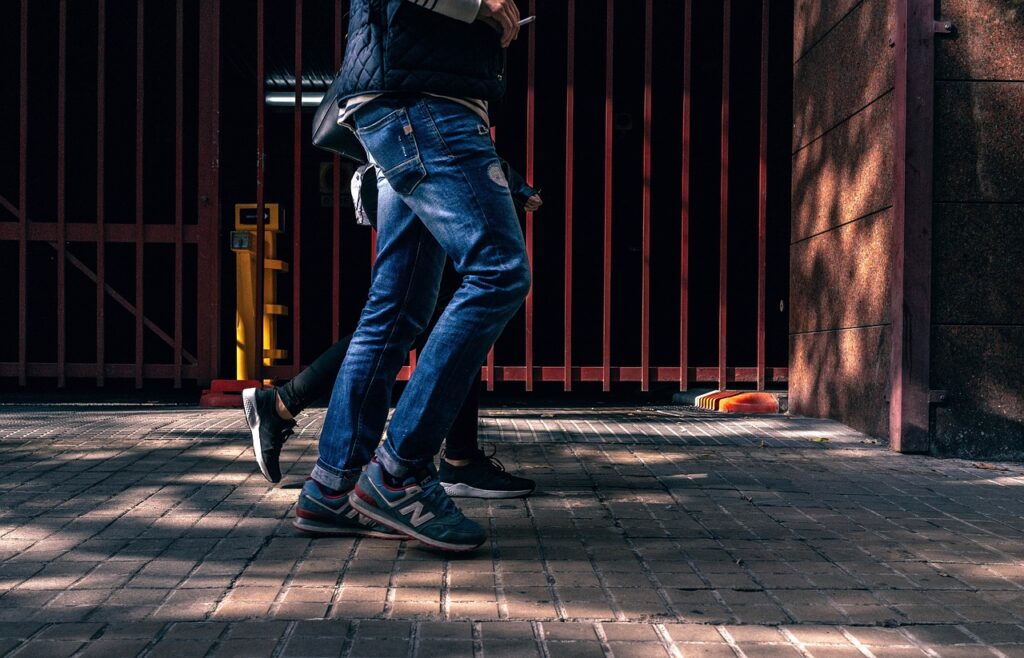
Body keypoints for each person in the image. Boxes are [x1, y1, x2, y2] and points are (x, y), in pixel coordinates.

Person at [299, 0, 529, 553]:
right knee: (498, 272)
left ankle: (332, 487)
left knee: (395, 306)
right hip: (421, 102)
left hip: (406, 99)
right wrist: (480, 5)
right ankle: (398, 473)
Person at [242, 163, 542, 534]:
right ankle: (401, 471)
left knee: (412, 316)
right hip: (420, 170)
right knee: (437, 309)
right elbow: (439, 121)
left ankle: (337, 473)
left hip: (403, 169)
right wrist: (509, 179)